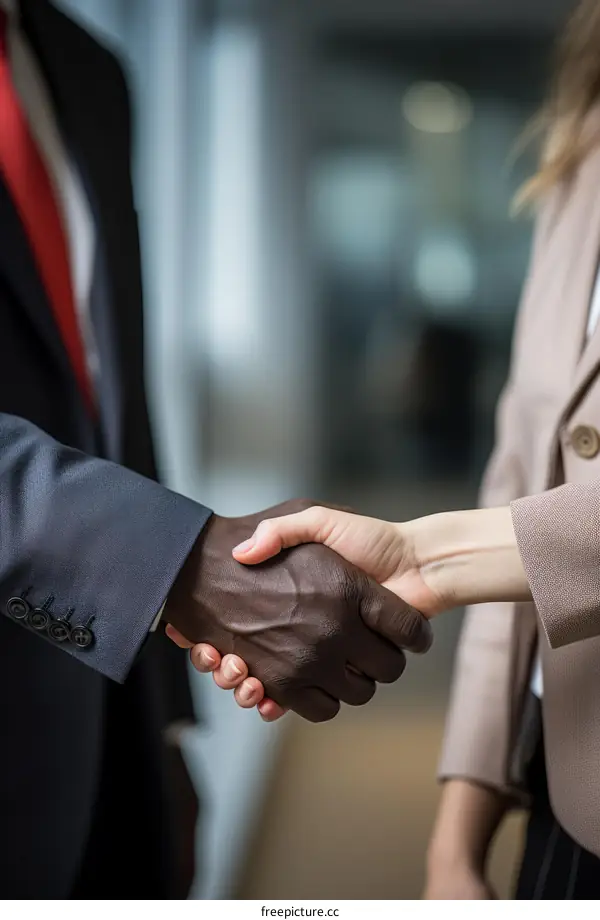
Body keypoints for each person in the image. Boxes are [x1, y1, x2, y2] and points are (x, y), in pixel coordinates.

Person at [0, 0, 432, 899]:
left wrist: (162, 726)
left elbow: (110, 407)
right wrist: (179, 564)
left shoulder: (87, 68)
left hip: (100, 738)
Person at [186, 0, 600, 898]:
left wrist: (425, 555)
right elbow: (522, 481)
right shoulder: (583, 153)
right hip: (566, 799)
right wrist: (456, 838)